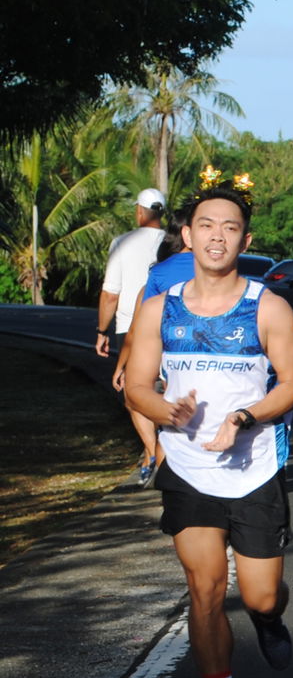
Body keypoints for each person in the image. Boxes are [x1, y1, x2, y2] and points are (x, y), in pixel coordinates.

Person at [122, 167, 293, 678]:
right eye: (206, 225)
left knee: (255, 592)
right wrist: (162, 413)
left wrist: (244, 417)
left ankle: (268, 616)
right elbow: (136, 384)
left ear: (245, 242)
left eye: (230, 228)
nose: (217, 237)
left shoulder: (266, 307)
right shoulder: (159, 309)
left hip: (254, 470)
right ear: (186, 235)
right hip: (188, 468)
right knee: (203, 588)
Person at [97, 187, 167, 485]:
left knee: (134, 395)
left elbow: (110, 294)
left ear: (140, 210)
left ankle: (152, 455)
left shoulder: (122, 242)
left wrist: (102, 330)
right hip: (170, 324)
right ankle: (157, 455)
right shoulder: (175, 242)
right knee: (165, 393)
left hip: (131, 327)